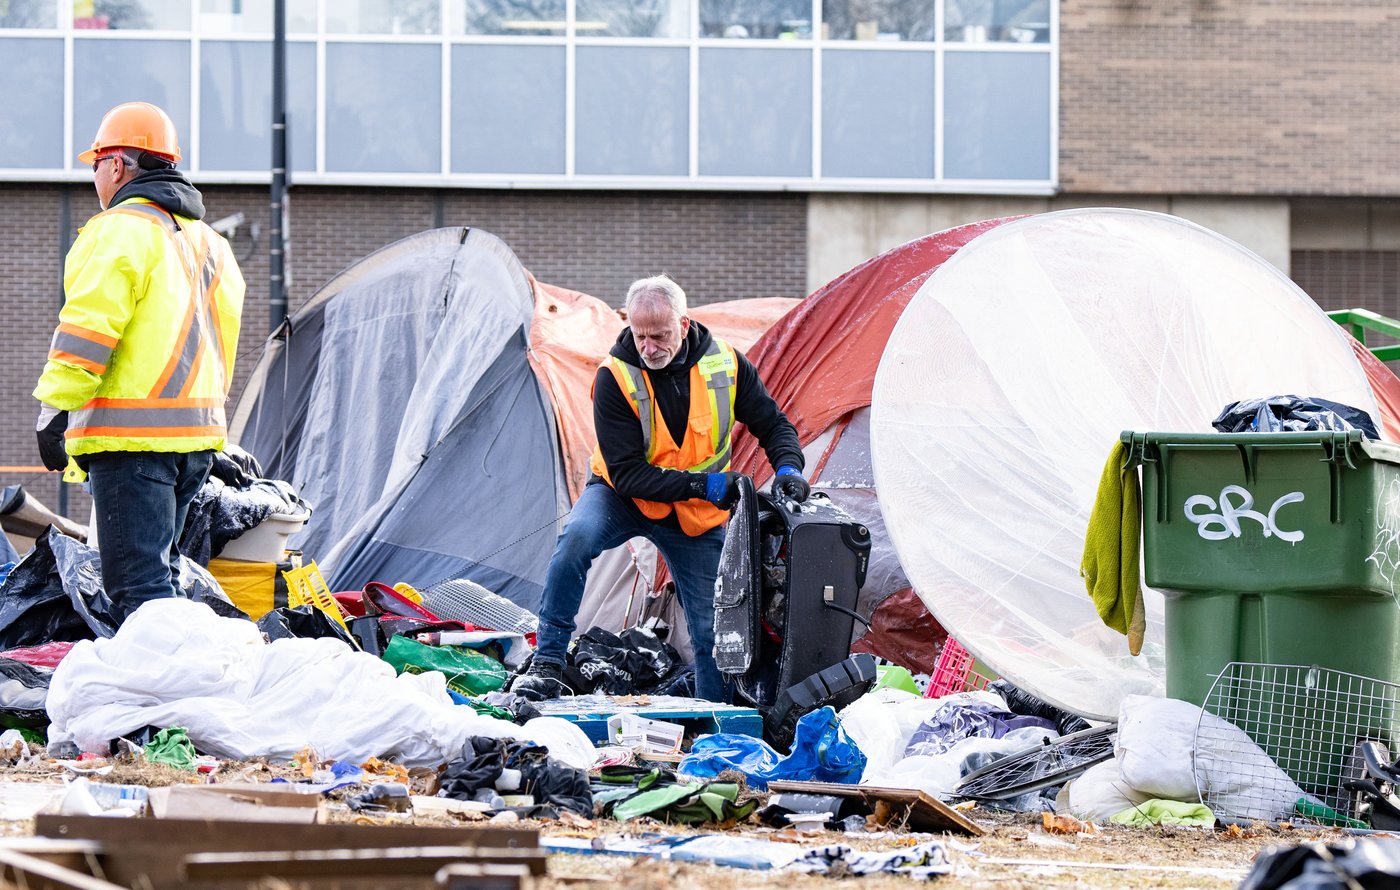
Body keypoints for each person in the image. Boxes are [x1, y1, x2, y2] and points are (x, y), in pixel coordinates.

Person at [511, 275, 810, 702]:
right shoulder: (615, 377)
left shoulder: (727, 365)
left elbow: (774, 424)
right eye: (640, 336)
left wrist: (788, 468)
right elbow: (628, 475)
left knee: (712, 629)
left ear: (684, 325)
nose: (649, 348)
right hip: (621, 497)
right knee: (575, 540)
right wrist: (706, 485)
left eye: (660, 336)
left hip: (693, 517)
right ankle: (548, 664)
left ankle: (714, 718)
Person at [33, 101, 245, 620]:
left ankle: (162, 674)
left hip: (132, 443)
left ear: (117, 164)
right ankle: (181, 667)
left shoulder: (119, 230)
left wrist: (55, 407)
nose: (94, 178)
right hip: (195, 441)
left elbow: (87, 331)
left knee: (139, 596)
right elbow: (222, 343)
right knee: (162, 581)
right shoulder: (210, 243)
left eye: (95, 165)